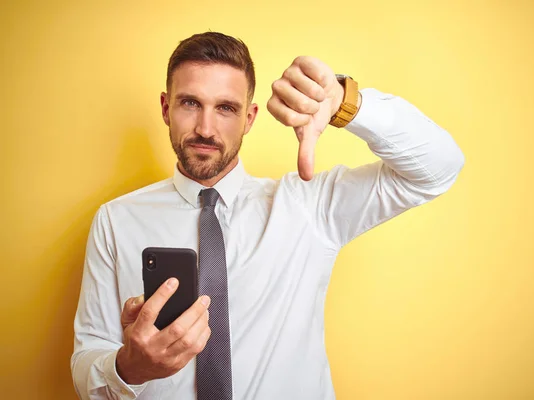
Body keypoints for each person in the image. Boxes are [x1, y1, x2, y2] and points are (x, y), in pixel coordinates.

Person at [71, 31, 465, 400]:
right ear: (165, 107)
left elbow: (438, 167)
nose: (206, 128)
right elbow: (87, 354)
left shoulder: (309, 208)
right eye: (190, 103)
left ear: (250, 118)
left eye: (226, 108)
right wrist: (128, 369)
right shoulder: (116, 220)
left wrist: (347, 104)